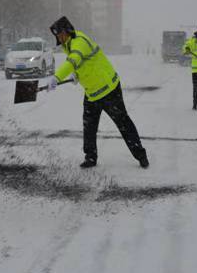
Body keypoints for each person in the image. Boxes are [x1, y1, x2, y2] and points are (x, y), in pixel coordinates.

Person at [48, 16, 149, 169]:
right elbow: (82, 63)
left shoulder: (79, 41)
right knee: (89, 126)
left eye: (60, 34)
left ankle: (140, 155)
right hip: (92, 93)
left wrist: (57, 77)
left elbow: (74, 59)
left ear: (67, 30)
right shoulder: (67, 45)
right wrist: (77, 74)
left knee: (123, 123)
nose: (59, 37)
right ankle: (90, 157)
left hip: (109, 89)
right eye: (57, 35)